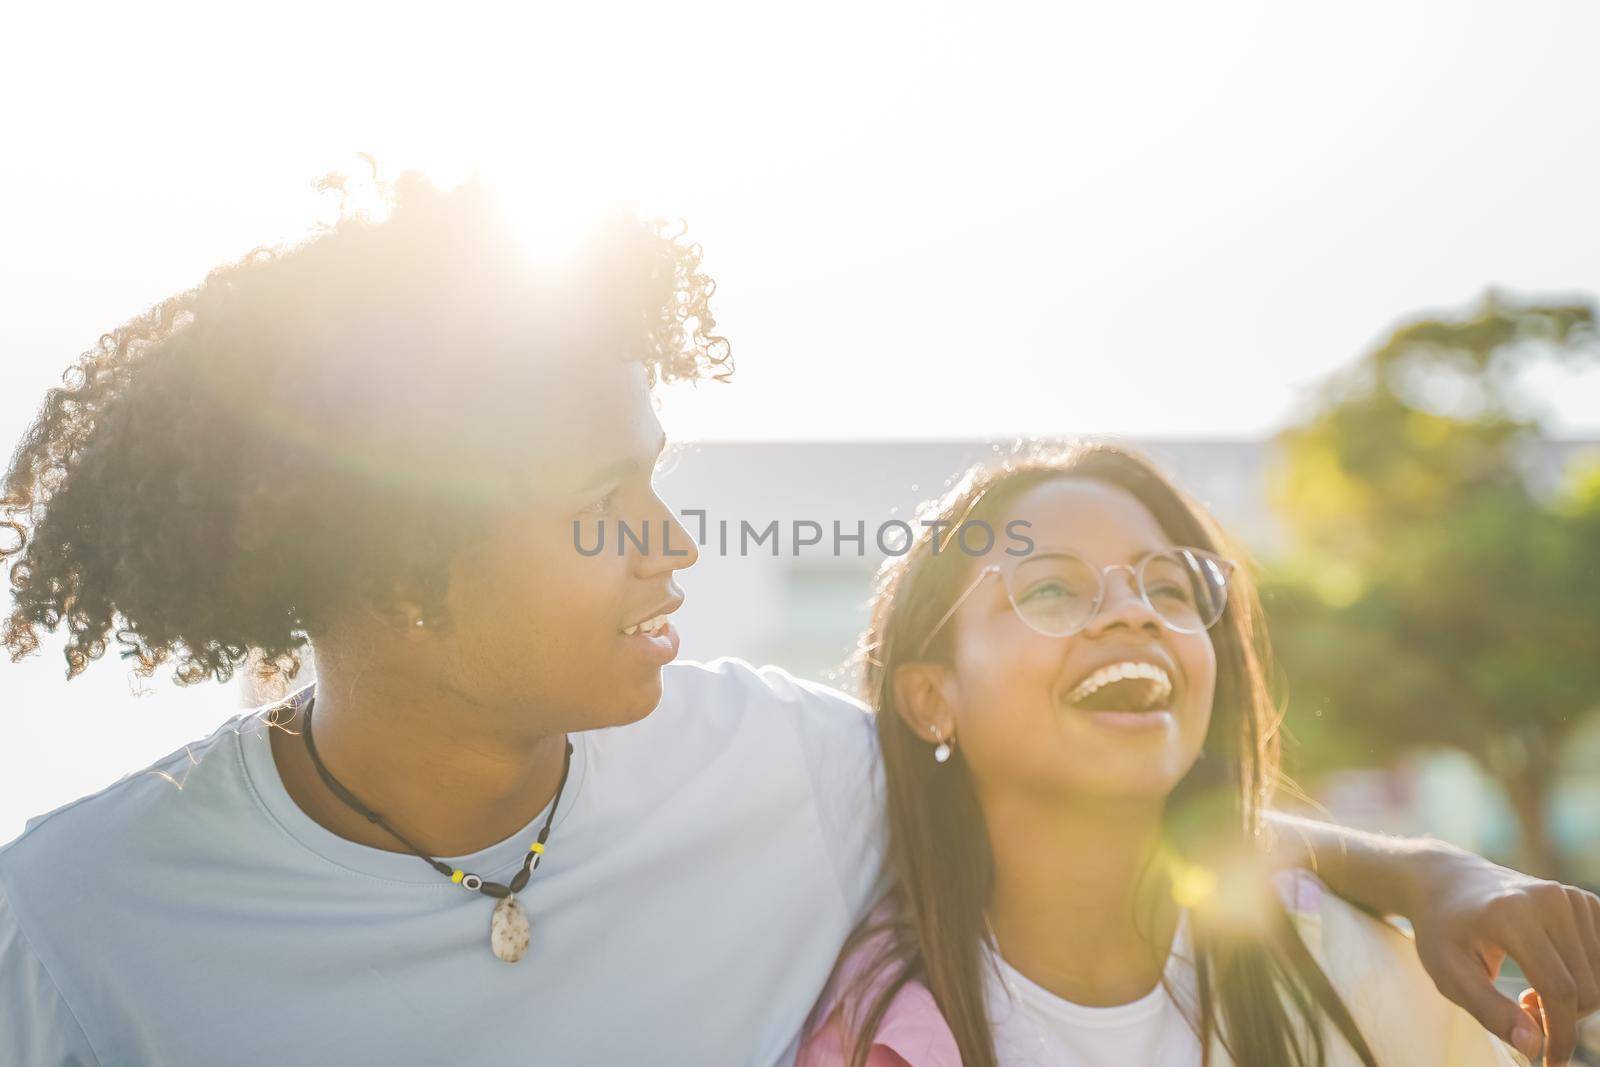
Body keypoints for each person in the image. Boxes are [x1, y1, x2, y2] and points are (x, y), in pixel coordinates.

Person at [0, 166, 1594, 1065]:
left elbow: (1100, 799)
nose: (675, 544)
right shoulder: (83, 921)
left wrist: (1437, 870)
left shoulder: (787, 769)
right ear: (395, 554)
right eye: (606, 497)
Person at [796, 442, 1597, 1067]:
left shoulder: (1359, 974)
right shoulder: (873, 1030)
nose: (1134, 614)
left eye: (1168, 588)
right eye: (1049, 588)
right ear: (933, 698)